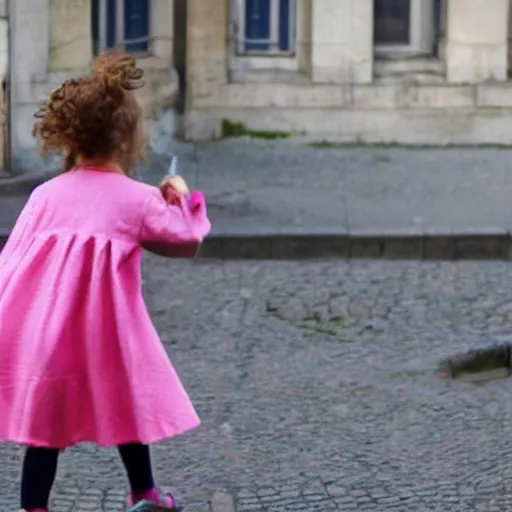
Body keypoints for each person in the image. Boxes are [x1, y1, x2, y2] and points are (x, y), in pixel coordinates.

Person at [0, 50, 211, 512]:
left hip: (48, 338)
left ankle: (33, 507)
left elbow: (10, 265)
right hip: (107, 337)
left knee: (43, 431)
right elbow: (186, 239)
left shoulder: (44, 195)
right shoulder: (136, 200)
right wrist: (179, 196)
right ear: (126, 140)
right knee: (128, 406)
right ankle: (146, 493)